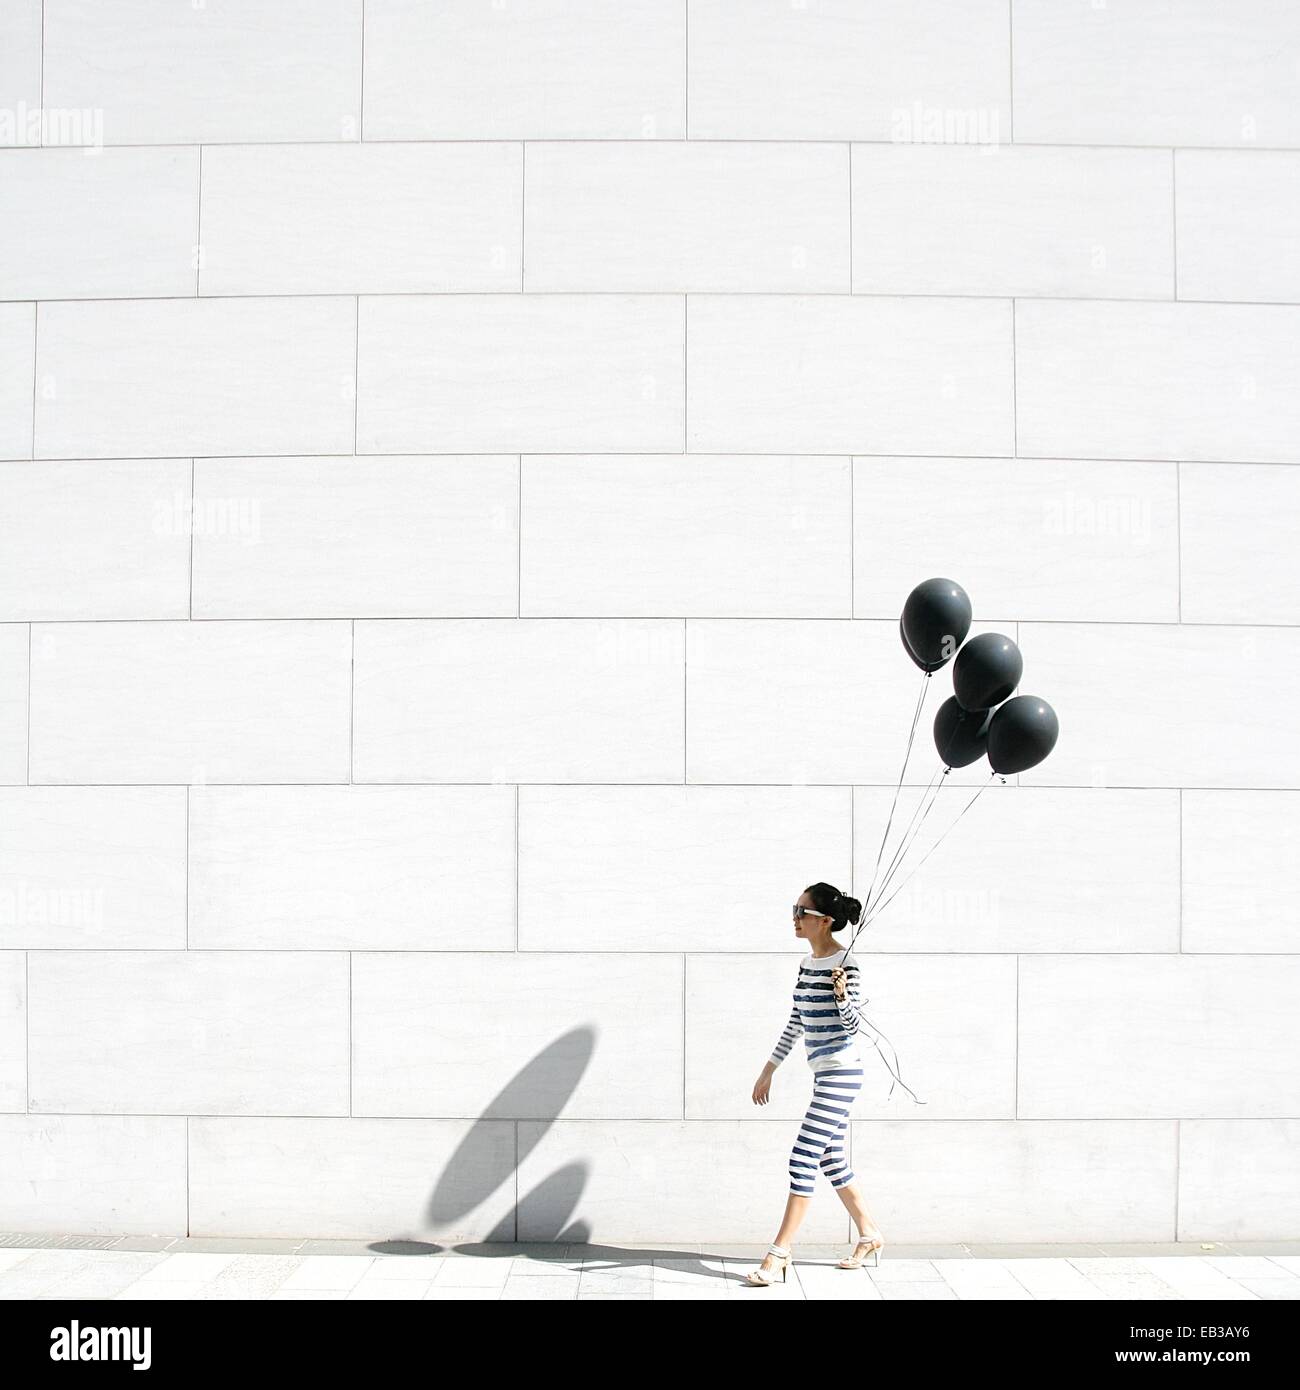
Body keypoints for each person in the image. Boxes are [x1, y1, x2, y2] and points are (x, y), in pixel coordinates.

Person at [744, 882, 887, 1287]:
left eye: (801, 912)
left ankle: (778, 1253)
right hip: (823, 1072)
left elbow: (853, 1026)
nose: (795, 918)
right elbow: (796, 1022)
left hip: (843, 1073)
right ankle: (870, 1234)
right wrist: (768, 1068)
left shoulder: (849, 964)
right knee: (831, 1160)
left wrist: (841, 993)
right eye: (794, 909)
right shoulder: (807, 965)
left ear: (825, 921)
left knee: (802, 1156)